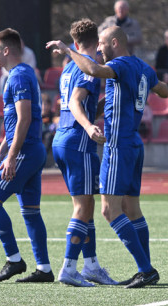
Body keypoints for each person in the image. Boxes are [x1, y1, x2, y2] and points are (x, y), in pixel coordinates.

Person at [47, 24, 168, 288]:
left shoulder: (122, 64)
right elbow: (165, 90)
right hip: (135, 143)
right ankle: (145, 269)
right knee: (132, 209)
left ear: (115, 43)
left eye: (102, 44)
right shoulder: (141, 67)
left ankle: (145, 269)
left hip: (118, 144)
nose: (99, 49)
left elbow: (92, 69)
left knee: (109, 210)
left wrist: (68, 50)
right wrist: (146, 89)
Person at [50, 19, 120, 287]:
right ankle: (69, 267)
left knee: (85, 206)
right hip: (78, 141)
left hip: (62, 139)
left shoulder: (67, 69)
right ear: (95, 43)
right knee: (84, 207)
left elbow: (80, 104)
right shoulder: (88, 68)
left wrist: (108, 105)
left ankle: (90, 265)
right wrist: (90, 125)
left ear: (75, 42)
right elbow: (75, 103)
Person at [0, 28, 52, 283]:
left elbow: (24, 119)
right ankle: (44, 269)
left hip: (25, 151)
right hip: (30, 150)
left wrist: (11, 156)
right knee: (31, 212)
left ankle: (14, 260)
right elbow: (18, 121)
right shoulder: (21, 74)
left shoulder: (19, 76)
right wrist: (3, 147)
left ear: (6, 50)